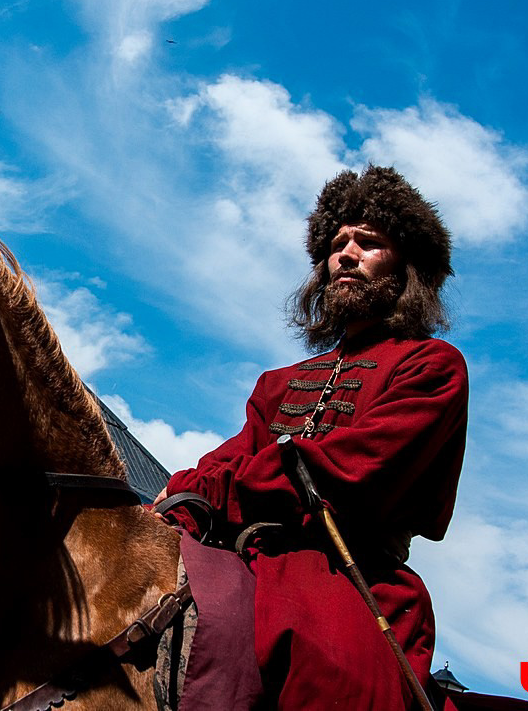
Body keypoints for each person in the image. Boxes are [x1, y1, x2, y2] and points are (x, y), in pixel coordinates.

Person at [157, 165, 468, 709]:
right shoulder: (277, 383)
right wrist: (176, 499)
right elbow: (221, 461)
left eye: (368, 243)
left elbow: (351, 473)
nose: (345, 254)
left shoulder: (433, 366)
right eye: (337, 244)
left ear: (407, 268)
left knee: (337, 687)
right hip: (245, 558)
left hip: (352, 579)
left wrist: (212, 489)